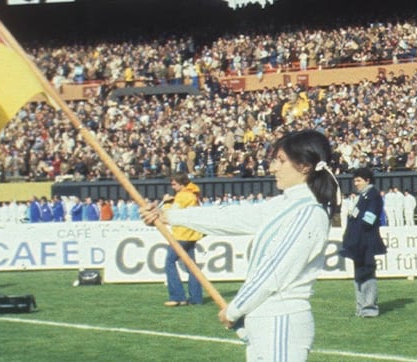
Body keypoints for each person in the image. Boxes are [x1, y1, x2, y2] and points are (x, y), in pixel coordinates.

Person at [145, 130, 336, 361]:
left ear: (305, 166)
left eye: (281, 161)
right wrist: (170, 216)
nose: (273, 167)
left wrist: (235, 309)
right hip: (264, 321)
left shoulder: (309, 213)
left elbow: (274, 272)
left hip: (281, 321)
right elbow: (231, 218)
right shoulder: (283, 204)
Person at [340, 168, 387, 318]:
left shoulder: (373, 196)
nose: (356, 183)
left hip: (366, 242)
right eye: (355, 180)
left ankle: (369, 308)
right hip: (357, 243)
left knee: (367, 273)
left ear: (367, 180)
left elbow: (369, 220)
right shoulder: (362, 196)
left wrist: (357, 231)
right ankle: (360, 308)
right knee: (359, 274)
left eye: (358, 180)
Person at [163, 173, 206, 307]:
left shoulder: (183, 196)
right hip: (192, 235)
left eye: (174, 184)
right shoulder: (193, 195)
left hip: (182, 235)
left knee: (169, 262)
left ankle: (177, 296)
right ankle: (196, 298)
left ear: (182, 184)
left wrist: (166, 203)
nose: (172, 187)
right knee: (191, 266)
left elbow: (171, 214)